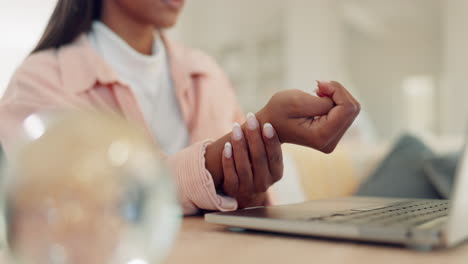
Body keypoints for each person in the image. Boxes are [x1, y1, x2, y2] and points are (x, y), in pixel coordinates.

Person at [0, 0, 360, 215]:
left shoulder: (207, 73)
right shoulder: (39, 82)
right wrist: (220, 160)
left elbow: (257, 205)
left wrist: (250, 184)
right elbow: (92, 203)